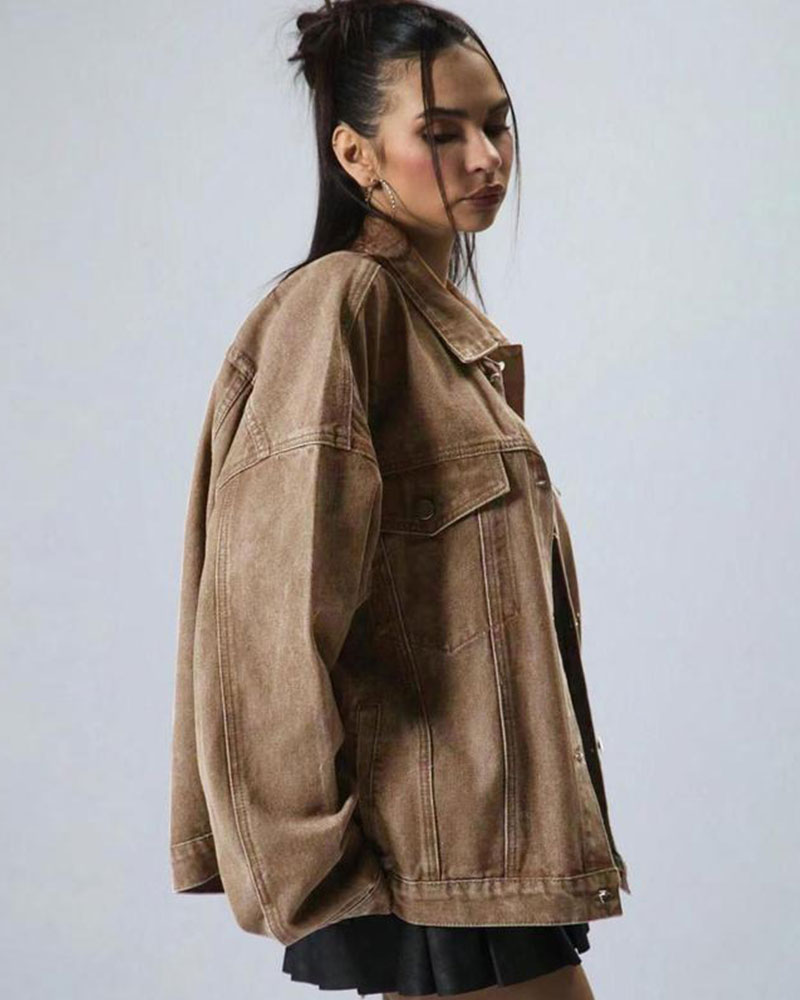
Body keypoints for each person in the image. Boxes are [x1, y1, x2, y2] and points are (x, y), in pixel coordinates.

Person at [168, 2, 629, 998]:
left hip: (486, 849)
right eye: (440, 133)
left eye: (495, 124)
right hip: (421, 862)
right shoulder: (341, 307)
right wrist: (314, 870)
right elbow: (264, 624)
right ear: (356, 154)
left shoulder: (448, 341)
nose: (485, 157)